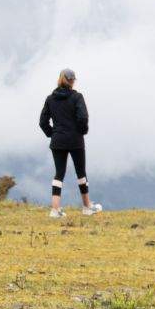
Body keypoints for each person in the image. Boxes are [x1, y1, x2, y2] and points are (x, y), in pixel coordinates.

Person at [39, 67, 102, 217]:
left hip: (58, 140)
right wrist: (82, 131)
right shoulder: (77, 97)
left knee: (59, 174)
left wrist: (53, 133)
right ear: (72, 81)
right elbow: (83, 118)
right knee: (81, 173)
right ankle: (87, 207)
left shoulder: (50, 99)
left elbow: (43, 122)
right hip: (75, 140)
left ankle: (55, 210)